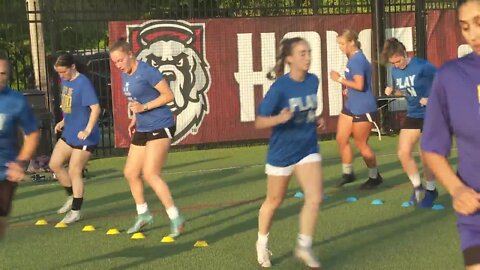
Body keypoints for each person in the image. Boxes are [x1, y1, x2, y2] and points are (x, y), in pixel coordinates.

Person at [255, 37, 324, 268]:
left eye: (309, 52)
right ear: (289, 59)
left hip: (307, 148)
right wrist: (279, 118)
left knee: (314, 198)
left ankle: (304, 246)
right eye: (302, 53)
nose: (308, 57)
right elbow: (260, 122)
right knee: (274, 201)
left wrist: (315, 120)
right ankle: (262, 242)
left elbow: (307, 110)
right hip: (282, 152)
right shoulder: (280, 88)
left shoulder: (313, 81)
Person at [422, 0, 480, 268]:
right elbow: (432, 147)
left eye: (478, 22)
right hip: (476, 218)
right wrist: (456, 189)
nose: (473, 35)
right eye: (465, 27)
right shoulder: (450, 77)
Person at [109, 39, 185, 237]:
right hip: (143, 126)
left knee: (151, 174)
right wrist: (135, 116)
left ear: (130, 54)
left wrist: (144, 108)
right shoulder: (126, 75)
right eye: (115, 62)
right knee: (131, 173)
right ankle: (143, 215)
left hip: (161, 124)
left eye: (120, 60)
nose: (118, 65)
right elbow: (137, 100)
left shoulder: (147, 71)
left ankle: (175, 217)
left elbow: (168, 96)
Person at [381, 38, 438, 207]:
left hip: (432, 113)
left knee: (425, 155)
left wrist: (431, 98)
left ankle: (431, 190)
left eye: (398, 61)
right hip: (413, 114)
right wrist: (394, 92)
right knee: (403, 153)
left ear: (405, 53)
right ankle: (418, 187)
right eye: (393, 63)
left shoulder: (422, 66)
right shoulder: (395, 71)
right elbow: (406, 92)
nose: (396, 65)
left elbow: (444, 81)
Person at [48, 54, 101, 224]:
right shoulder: (65, 81)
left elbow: (95, 108)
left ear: (72, 67)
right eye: (58, 73)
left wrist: (87, 129)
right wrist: (63, 121)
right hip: (70, 132)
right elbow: (70, 106)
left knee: (74, 170)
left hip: (85, 136)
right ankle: (72, 197)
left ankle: (76, 211)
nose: (61, 76)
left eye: (63, 72)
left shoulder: (83, 83)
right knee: (54, 164)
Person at [330, 29, 382, 189]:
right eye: (339, 43)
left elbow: (359, 85)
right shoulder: (352, 58)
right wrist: (348, 87)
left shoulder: (356, 60)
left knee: (361, 144)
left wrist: (339, 80)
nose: (340, 47)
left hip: (363, 107)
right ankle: (348, 173)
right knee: (341, 138)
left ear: (352, 42)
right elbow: (357, 84)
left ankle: (374, 177)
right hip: (351, 105)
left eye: (342, 43)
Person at [0, 53, 40, 239]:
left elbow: (32, 133)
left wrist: (21, 162)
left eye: (3, 73)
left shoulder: (16, 101)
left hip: (6, 171)